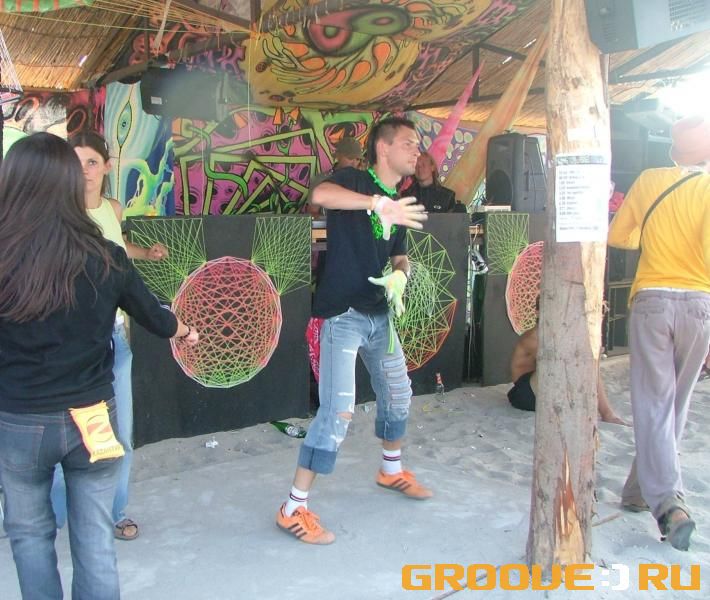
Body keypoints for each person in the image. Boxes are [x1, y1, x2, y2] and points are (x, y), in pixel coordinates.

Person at [0, 132, 198, 599]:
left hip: (19, 420)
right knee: (94, 541)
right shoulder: (105, 255)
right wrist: (185, 330)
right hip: (92, 418)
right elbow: (155, 317)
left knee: (30, 536)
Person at [276, 117, 429, 545]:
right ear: (383, 148)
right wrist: (375, 203)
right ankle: (292, 508)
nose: (416, 151)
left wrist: (400, 275)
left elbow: (400, 255)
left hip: (380, 315)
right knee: (338, 411)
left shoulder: (400, 201)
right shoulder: (354, 179)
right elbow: (320, 195)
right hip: (342, 315)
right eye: (408, 143)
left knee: (397, 393)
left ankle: (391, 469)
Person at [49, 131, 168, 542]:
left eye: (92, 162)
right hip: (66, 342)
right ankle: (56, 516)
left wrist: (144, 253)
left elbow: (116, 250)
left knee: (120, 435)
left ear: (107, 166)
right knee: (60, 436)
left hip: (113, 339)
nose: (84, 171)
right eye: (75, 162)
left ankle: (116, 511)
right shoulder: (54, 213)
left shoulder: (112, 209)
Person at [608, 114, 710, 551]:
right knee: (673, 405)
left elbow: (620, 236)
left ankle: (668, 505)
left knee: (654, 403)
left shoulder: (650, 180)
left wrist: (654, 235)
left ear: (672, 149)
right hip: (699, 303)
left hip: (652, 300)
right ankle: (639, 492)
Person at [508, 325, 625, 425]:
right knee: (573, 362)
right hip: (525, 393)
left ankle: (607, 413)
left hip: (546, 391)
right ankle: (606, 413)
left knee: (585, 364)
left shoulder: (561, 333)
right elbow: (558, 364)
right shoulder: (535, 335)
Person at [305, 136, 365, 218]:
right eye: (350, 158)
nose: (354, 163)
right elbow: (312, 212)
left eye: (357, 159)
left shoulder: (363, 181)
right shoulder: (322, 180)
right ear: (339, 156)